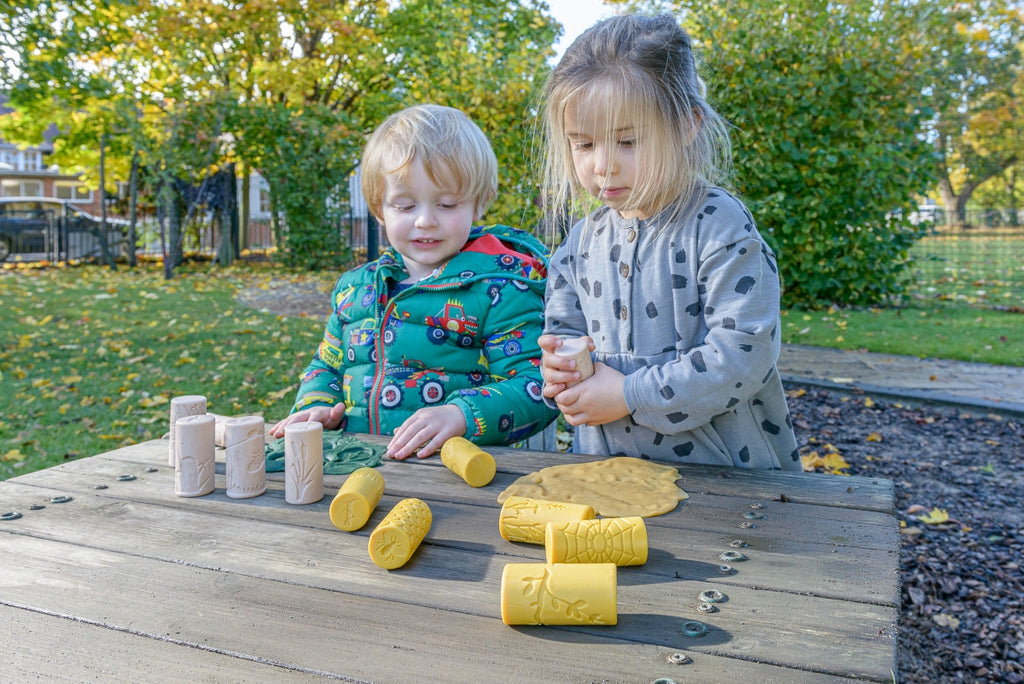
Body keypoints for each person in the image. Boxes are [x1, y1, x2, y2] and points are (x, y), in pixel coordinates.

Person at [537, 14, 800, 470]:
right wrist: (559, 369)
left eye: (627, 141)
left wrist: (627, 394)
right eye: (583, 145)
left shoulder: (719, 226)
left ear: (685, 126)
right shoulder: (580, 242)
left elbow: (742, 354)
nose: (603, 165)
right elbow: (563, 333)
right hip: (606, 474)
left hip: (726, 484)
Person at [271, 104, 557, 459]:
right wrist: (317, 404)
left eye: (447, 204)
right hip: (357, 466)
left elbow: (538, 387)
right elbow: (327, 365)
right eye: (405, 206)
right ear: (380, 209)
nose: (425, 221)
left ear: (479, 204)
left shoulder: (501, 289)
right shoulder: (354, 290)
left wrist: (462, 415)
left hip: (456, 481)